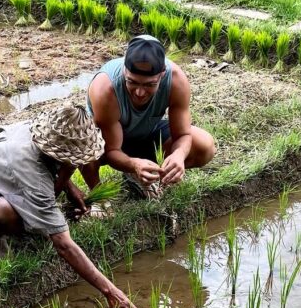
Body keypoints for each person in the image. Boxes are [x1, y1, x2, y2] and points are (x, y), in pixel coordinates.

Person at [0, 101, 142, 308]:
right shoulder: (29, 166)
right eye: (71, 161)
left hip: (1, 183)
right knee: (10, 214)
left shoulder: (40, 129)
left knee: (41, 213)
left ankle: (23, 218)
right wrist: (111, 291)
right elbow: (64, 245)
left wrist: (70, 186)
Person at [83, 35, 216, 197]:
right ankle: (99, 196)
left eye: (149, 85)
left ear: (162, 74)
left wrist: (178, 155)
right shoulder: (105, 88)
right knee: (83, 147)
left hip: (146, 134)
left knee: (204, 146)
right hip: (106, 144)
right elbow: (112, 150)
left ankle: (152, 174)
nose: (139, 92)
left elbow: (183, 134)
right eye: (132, 82)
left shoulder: (176, 81)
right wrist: (133, 165)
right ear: (125, 70)